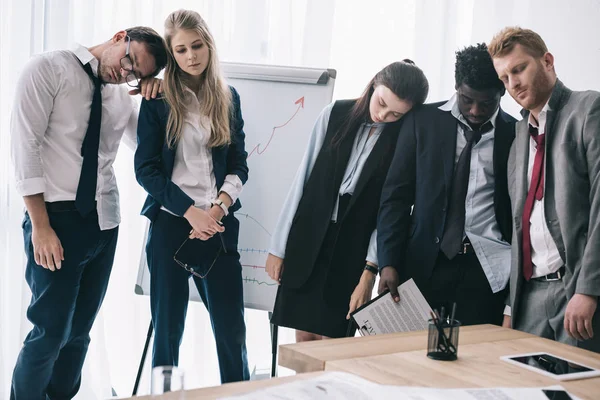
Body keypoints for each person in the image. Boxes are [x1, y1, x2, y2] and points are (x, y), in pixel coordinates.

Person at [10, 27, 167, 399]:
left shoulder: (120, 98)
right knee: (50, 333)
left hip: (103, 224)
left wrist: (157, 98)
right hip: (56, 221)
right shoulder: (47, 69)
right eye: (129, 61)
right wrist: (40, 226)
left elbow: (148, 146)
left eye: (136, 74)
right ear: (119, 37)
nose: (125, 73)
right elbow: (24, 148)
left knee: (79, 335)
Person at [265, 60, 429, 341]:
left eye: (395, 114)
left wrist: (370, 270)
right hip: (308, 241)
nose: (383, 116)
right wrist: (278, 247)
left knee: (334, 344)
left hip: (352, 249)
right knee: (303, 344)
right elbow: (302, 180)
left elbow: (390, 212)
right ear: (374, 83)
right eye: (381, 103)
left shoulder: (402, 140)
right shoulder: (334, 113)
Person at [135, 9, 250, 382]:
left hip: (218, 225)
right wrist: (189, 212)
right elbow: (146, 170)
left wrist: (217, 208)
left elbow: (239, 164)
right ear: (172, 54)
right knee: (167, 331)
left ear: (208, 44)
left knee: (231, 331)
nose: (191, 57)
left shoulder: (228, 97)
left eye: (197, 46)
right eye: (181, 50)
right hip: (171, 225)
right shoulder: (158, 99)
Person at [377, 44, 516, 326]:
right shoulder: (422, 121)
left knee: (473, 361)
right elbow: (396, 197)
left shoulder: (516, 133)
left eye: (487, 102)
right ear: (456, 87)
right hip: (423, 263)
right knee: (411, 359)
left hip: (487, 270)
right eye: (467, 99)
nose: (476, 110)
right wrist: (388, 262)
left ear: (502, 90)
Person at [489, 27, 600, 352]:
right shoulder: (517, 138)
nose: (513, 84)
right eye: (505, 77)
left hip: (576, 290)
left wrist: (589, 289)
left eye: (519, 69)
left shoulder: (589, 109)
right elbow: (519, 226)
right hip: (530, 297)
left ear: (547, 61)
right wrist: (512, 305)